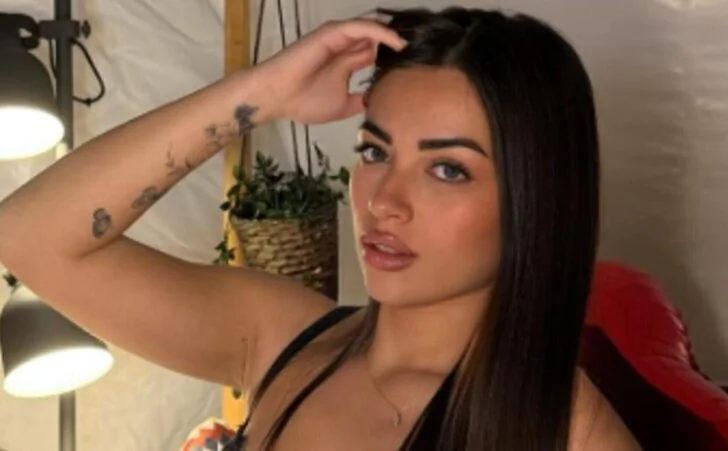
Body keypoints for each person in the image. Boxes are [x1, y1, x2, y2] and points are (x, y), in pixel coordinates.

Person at [0, 6, 641, 451]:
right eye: (374, 152)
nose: (385, 201)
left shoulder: (566, 433)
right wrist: (260, 95)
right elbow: (29, 236)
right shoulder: (278, 336)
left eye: (447, 169)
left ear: (535, 196)